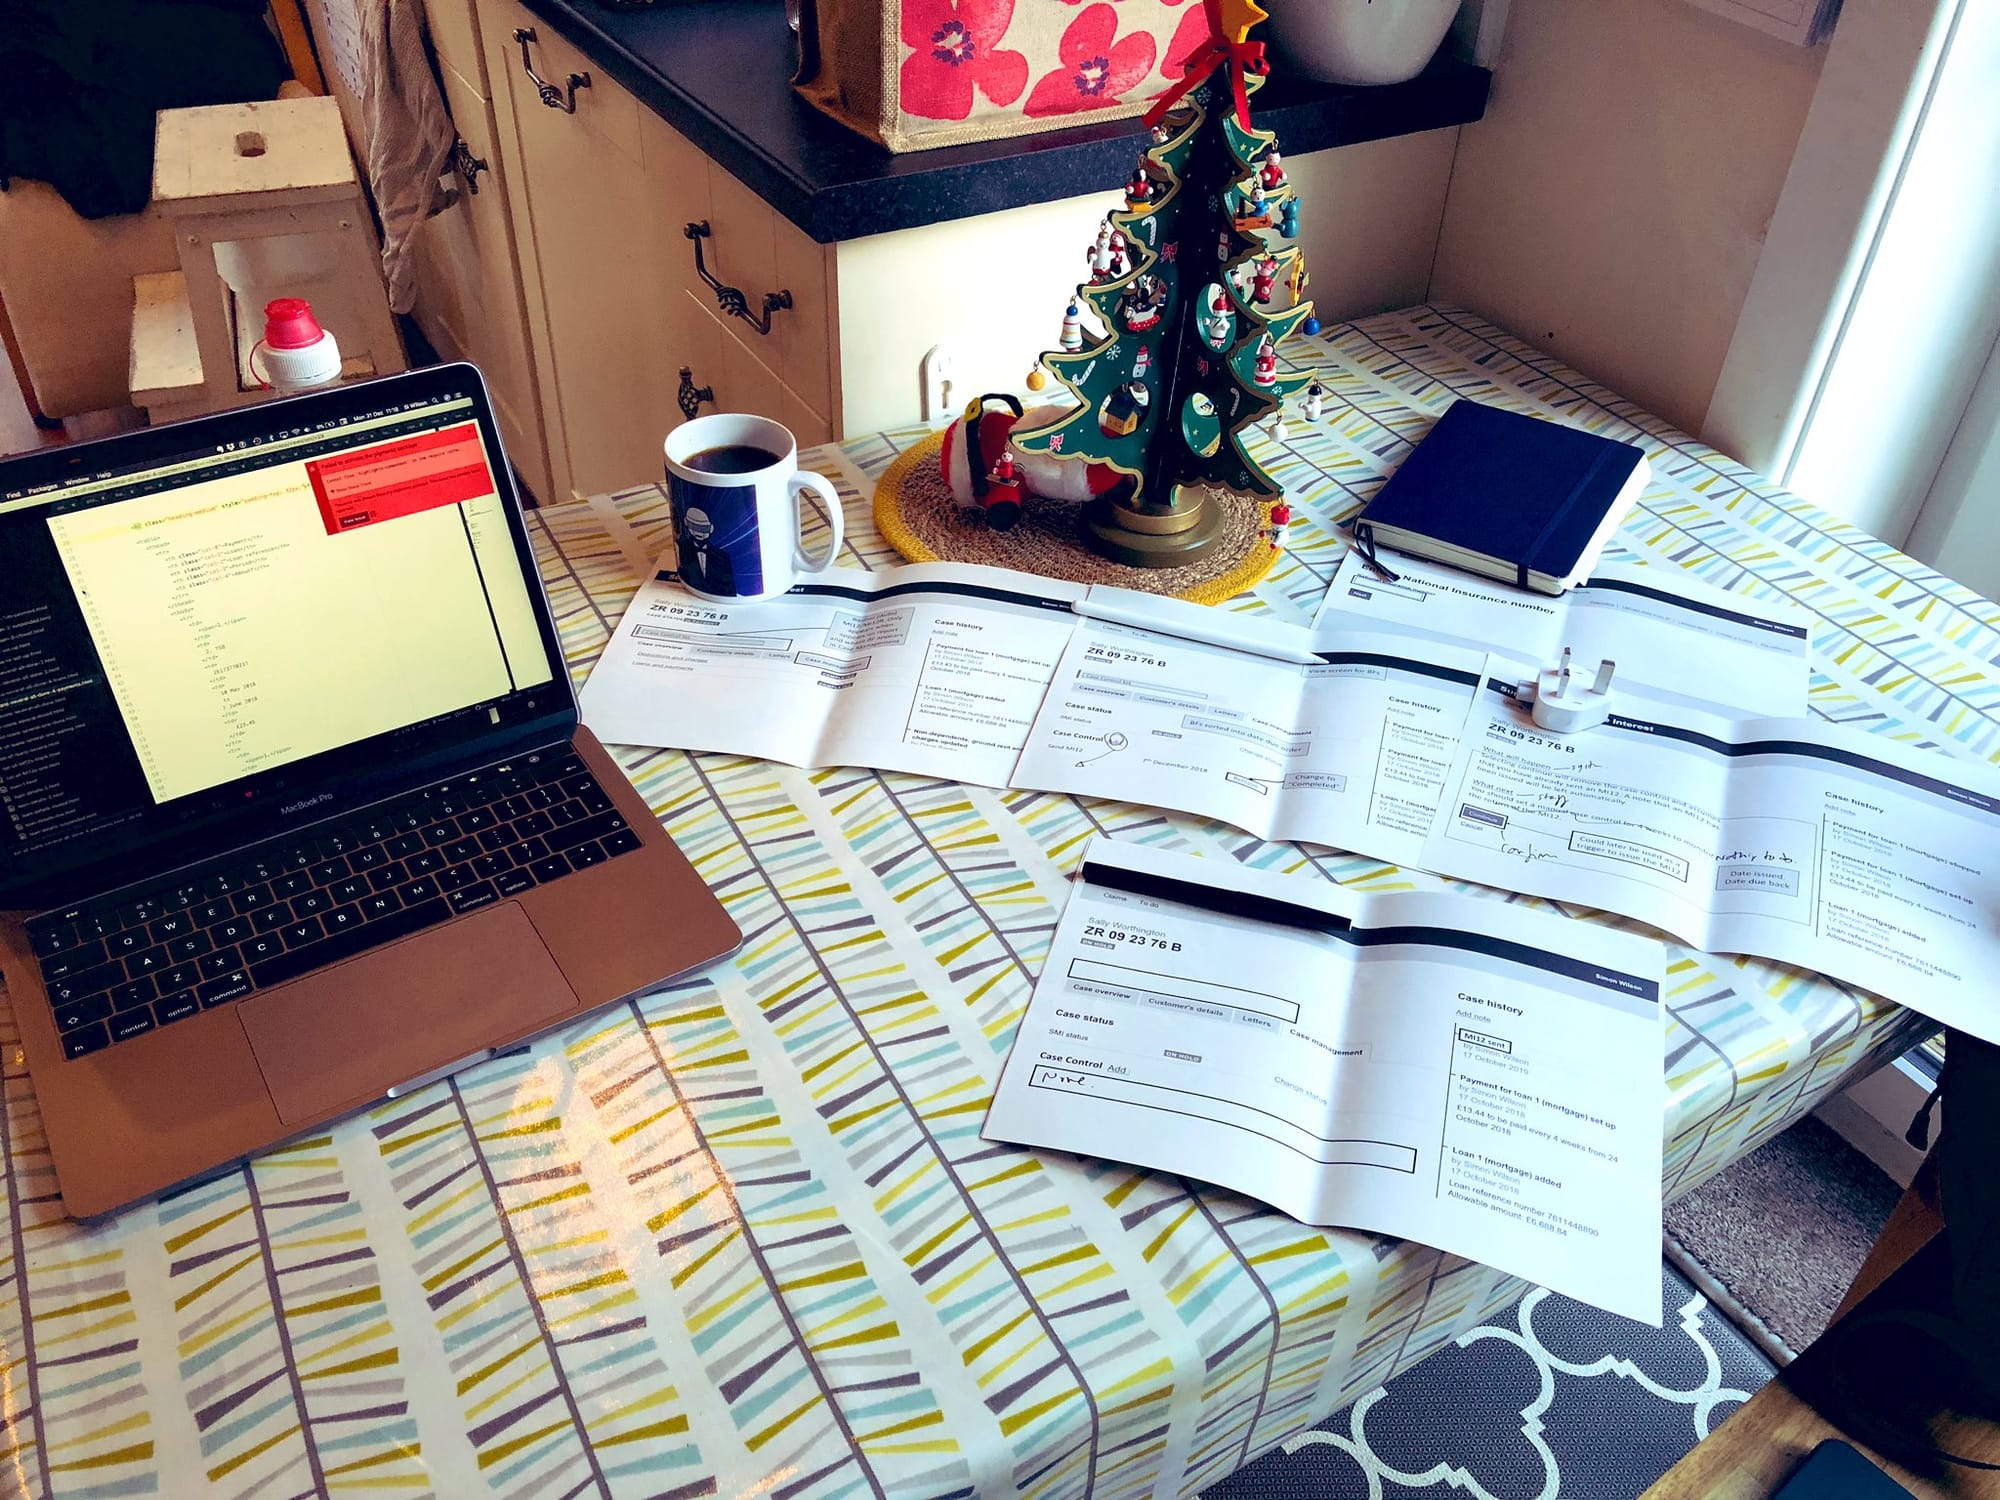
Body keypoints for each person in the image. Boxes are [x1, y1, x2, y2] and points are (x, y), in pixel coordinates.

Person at [678, 506, 735, 595]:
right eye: (693, 526)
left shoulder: (722, 557)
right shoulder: (682, 548)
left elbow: (729, 587)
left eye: (703, 528)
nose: (698, 532)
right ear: (686, 523)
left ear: (710, 529)